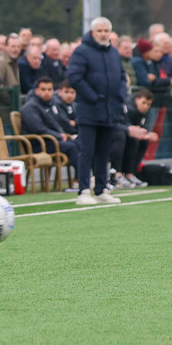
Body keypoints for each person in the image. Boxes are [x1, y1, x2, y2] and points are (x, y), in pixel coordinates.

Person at [67, 17, 127, 205]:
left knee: (103, 152)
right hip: (89, 111)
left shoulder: (113, 53)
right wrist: (92, 96)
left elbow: (122, 76)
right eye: (99, 31)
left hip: (109, 110)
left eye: (106, 31)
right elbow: (74, 77)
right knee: (87, 151)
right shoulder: (82, 51)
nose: (103, 34)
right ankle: (84, 190)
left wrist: (120, 96)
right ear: (93, 32)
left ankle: (101, 189)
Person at [20, 76, 80, 183]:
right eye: (43, 89)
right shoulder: (30, 107)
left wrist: (62, 134)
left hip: (50, 141)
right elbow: (38, 129)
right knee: (72, 147)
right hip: (38, 145)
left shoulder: (50, 104)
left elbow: (56, 123)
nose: (47, 92)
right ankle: (82, 180)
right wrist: (59, 136)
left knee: (79, 143)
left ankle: (81, 178)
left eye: (49, 89)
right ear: (37, 91)